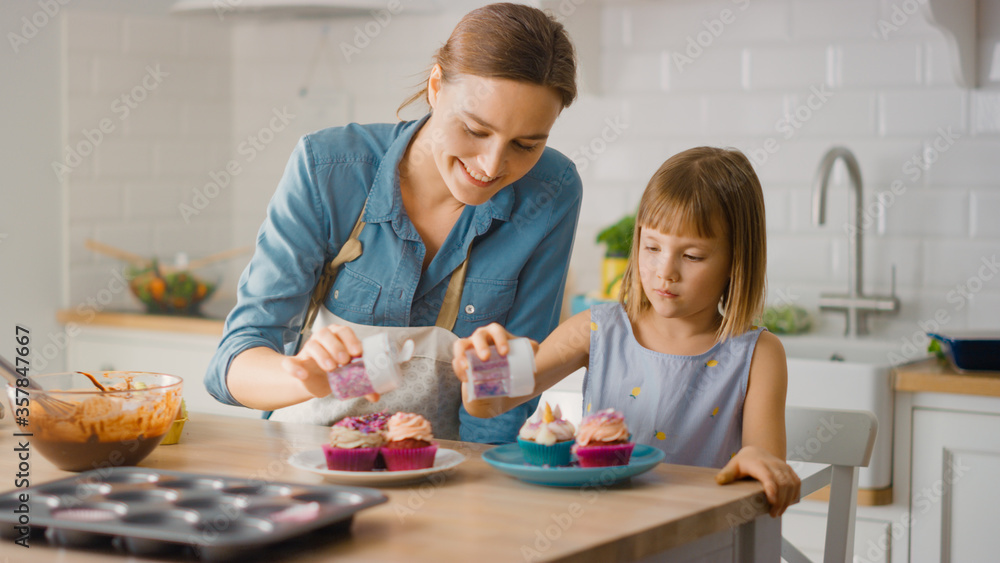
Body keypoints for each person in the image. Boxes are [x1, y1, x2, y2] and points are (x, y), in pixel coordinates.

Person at [205, 3, 582, 444]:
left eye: (525, 144)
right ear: (437, 85)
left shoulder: (551, 191)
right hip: (309, 464)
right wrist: (305, 378)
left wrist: (485, 395)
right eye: (476, 130)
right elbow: (232, 362)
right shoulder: (330, 168)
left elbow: (503, 404)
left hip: (449, 473)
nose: (491, 165)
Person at [452, 147, 802, 516]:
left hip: (703, 538)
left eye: (693, 256)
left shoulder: (757, 355)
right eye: (651, 247)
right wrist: (482, 365)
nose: (665, 271)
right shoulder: (598, 330)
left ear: (736, 259)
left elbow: (763, 460)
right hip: (606, 532)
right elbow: (490, 403)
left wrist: (760, 462)